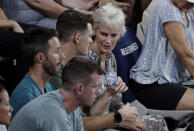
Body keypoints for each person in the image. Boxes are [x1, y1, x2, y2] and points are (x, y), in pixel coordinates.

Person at [85, 3, 168, 131]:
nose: (108, 41)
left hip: (115, 115)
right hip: (98, 123)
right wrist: (119, 120)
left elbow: (115, 100)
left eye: (114, 35)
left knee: (156, 121)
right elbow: (88, 116)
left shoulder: (110, 58)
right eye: (104, 34)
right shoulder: (84, 62)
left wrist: (130, 114)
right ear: (94, 31)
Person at [8, 57, 103, 131]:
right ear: (80, 88)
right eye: (95, 86)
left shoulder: (73, 107)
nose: (98, 91)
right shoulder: (55, 114)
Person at [130, 0, 194, 110]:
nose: (191, 4)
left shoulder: (189, 10)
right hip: (152, 84)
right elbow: (186, 56)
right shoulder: (167, 9)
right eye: (188, 1)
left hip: (174, 81)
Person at [9, 27, 64, 118]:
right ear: (41, 58)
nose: (63, 56)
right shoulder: (27, 97)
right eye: (57, 51)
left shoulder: (48, 86)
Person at [49, 10, 94, 89]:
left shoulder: (74, 66)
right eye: (89, 36)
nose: (91, 41)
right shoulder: (54, 74)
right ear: (77, 38)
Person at [0, 0, 99, 29]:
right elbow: (36, 1)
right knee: (81, 28)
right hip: (25, 23)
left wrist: (83, 5)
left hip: (44, 17)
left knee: (98, 25)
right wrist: (72, 14)